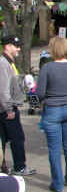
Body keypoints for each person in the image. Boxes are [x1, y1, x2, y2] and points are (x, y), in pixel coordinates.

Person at [36, 37, 67, 192]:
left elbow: (40, 93)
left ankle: (57, 184)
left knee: (54, 149)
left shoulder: (47, 68)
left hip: (52, 109)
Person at [0, 36, 36, 176]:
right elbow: (3, 89)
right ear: (7, 46)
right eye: (15, 46)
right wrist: (9, 109)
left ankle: (3, 166)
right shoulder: (3, 63)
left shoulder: (9, 63)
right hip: (6, 108)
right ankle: (19, 166)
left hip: (6, 106)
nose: (18, 49)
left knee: (3, 139)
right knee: (17, 138)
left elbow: (10, 82)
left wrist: (22, 78)